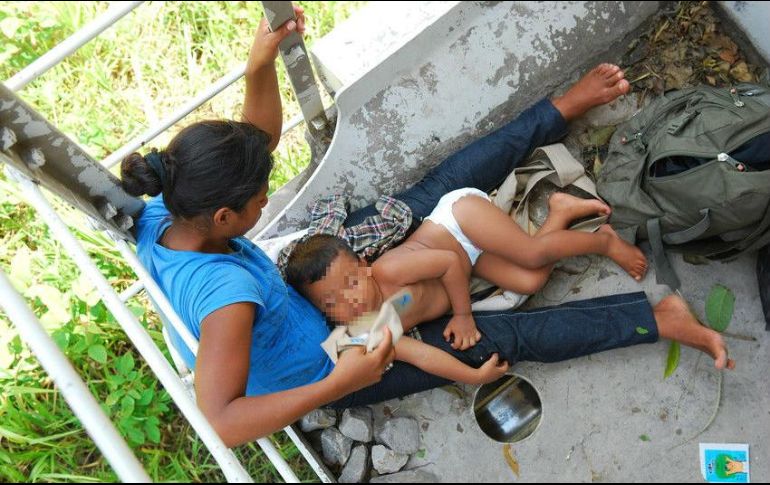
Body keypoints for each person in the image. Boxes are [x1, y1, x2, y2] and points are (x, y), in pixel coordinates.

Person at [121, 6, 734, 447]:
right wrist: (340, 381)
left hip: (315, 280)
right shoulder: (227, 299)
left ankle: (558, 111)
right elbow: (223, 422)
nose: (265, 202)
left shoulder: (167, 200)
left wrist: (261, 67)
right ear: (224, 216)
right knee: (497, 343)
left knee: (433, 193)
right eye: (259, 198)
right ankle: (655, 320)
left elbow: (261, 140)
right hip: (333, 356)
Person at [285, 188, 646, 350]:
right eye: (332, 304)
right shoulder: (364, 323)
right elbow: (342, 351)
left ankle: (605, 241)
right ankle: (561, 211)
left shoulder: (388, 271)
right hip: (468, 259)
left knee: (533, 255)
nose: (349, 302)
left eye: (350, 284)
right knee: (530, 281)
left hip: (460, 222)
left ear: (363, 267)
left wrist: (464, 317)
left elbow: (448, 261)